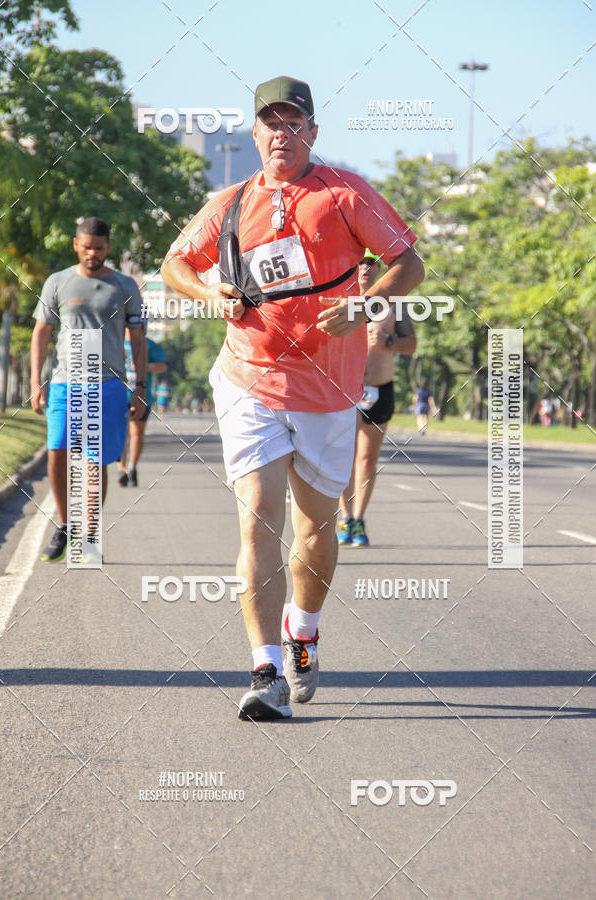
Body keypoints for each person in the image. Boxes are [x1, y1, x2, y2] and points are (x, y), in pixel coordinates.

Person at [161, 76, 424, 721]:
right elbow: (175, 264)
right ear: (254, 133)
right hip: (249, 376)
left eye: (293, 123)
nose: (281, 133)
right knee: (258, 515)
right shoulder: (231, 202)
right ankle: (265, 668)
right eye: (269, 123)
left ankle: (303, 632)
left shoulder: (343, 193)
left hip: (331, 389)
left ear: (312, 132)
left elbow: (408, 262)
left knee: (315, 526)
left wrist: (364, 303)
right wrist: (209, 295)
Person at [31, 217, 146, 561]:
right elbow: (41, 333)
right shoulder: (58, 282)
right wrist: (36, 382)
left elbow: (137, 339)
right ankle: (66, 525)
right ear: (76, 245)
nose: (92, 253)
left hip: (108, 386)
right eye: (86, 247)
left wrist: (139, 386)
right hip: (66, 384)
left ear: (108, 248)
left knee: (95, 463)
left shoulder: (124, 286)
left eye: (99, 248)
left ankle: (90, 535)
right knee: (57, 453)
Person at [337, 250, 417, 547]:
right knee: (344, 458)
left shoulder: (393, 305)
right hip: (347, 390)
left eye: (372, 263)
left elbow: (411, 344)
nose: (366, 269)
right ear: (352, 268)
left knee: (367, 459)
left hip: (380, 389)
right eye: (360, 263)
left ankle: (358, 520)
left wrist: (389, 341)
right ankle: (344, 517)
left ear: (381, 267)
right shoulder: (341, 301)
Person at [118, 328, 168, 487]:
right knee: (121, 433)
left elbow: (163, 366)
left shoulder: (148, 345)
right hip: (119, 394)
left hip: (142, 395)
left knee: (137, 433)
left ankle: (132, 467)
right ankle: (122, 469)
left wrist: (144, 367)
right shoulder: (115, 342)